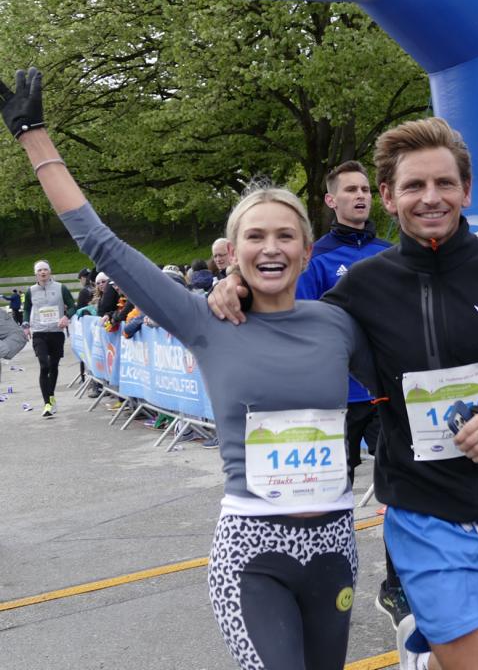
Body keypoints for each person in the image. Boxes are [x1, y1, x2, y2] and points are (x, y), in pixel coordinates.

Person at [2, 66, 377, 670]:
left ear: (308, 250)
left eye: (286, 236)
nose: (272, 247)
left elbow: (404, 390)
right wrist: (33, 137)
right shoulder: (205, 320)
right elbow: (101, 243)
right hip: (253, 555)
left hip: (335, 548)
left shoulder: (338, 324)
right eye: (255, 236)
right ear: (234, 251)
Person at [211, 116, 478, 670]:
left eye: (444, 183)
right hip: (424, 512)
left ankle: (423, 663)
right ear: (388, 196)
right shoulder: (363, 287)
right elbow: (293, 323)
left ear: (466, 190)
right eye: (414, 186)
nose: (430, 198)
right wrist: (237, 285)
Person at [294, 159, 401, 626]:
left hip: (383, 396)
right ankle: (323, 584)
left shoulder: (389, 252)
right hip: (334, 400)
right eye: (350, 190)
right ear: (331, 200)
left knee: (402, 491)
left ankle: (396, 586)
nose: (360, 196)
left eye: (365, 189)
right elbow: (304, 325)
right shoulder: (316, 257)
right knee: (328, 499)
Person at [21, 259, 76, 417]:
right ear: (36, 274)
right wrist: (26, 324)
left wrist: (66, 316)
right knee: (44, 365)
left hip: (56, 332)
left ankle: (51, 397)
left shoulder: (61, 288)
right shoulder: (31, 291)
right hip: (39, 332)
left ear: (50, 271)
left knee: (53, 366)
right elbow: (26, 309)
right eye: (39, 270)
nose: (43, 272)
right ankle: (47, 403)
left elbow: (73, 306)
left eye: (45, 269)